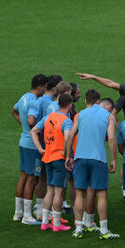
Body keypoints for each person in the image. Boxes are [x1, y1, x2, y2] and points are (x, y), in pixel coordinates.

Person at [64, 94, 119, 240]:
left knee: (80, 193)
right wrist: (113, 158)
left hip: (80, 157)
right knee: (101, 194)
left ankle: (78, 229)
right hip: (98, 158)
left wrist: (68, 156)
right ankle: (104, 230)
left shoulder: (80, 115)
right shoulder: (108, 116)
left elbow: (70, 136)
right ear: (98, 100)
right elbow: (112, 138)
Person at [30, 92, 74, 232]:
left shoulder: (49, 117)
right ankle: (56, 224)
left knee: (50, 190)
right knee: (59, 192)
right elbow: (68, 138)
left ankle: (44, 222)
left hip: (47, 157)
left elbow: (34, 131)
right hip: (59, 159)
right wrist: (67, 155)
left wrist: (40, 148)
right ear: (70, 105)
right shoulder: (66, 120)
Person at [12, 74, 47, 225]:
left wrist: (24, 127)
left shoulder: (24, 97)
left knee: (23, 176)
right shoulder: (34, 102)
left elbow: (13, 111)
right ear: (39, 86)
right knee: (33, 178)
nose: (45, 90)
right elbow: (32, 120)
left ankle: (18, 213)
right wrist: (35, 130)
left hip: (23, 141)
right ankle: (27, 216)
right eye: (45, 87)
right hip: (33, 145)